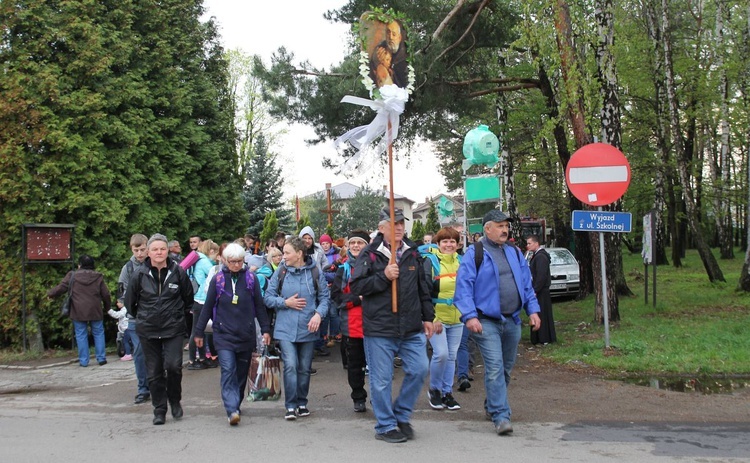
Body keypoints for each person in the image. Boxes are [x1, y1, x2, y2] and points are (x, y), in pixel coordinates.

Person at [350, 207, 434, 443]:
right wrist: (384, 276)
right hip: (380, 329)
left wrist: (428, 317)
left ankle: (401, 414)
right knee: (381, 379)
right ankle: (385, 425)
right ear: (381, 228)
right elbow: (357, 287)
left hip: (410, 327)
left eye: (401, 223)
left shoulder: (413, 253)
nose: (398, 227)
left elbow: (422, 289)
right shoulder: (369, 254)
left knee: (419, 369)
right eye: (393, 223)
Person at [454, 210, 541, 435]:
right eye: (500, 226)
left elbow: (526, 284)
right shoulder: (475, 253)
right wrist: (470, 316)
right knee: (494, 367)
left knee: (505, 369)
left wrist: (533, 310)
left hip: (512, 319)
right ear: (487, 229)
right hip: (486, 321)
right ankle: (502, 416)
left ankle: (491, 405)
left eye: (506, 226)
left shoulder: (514, 251)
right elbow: (463, 288)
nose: (505, 230)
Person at [193, 243, 272, 426]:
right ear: (225, 261)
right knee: (228, 369)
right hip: (223, 334)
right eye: (232, 261)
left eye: (239, 261)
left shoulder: (251, 279)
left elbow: (260, 307)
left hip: (246, 334)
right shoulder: (218, 280)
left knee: (241, 373)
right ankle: (232, 408)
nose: (236, 265)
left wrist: (266, 330)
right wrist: (198, 332)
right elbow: (207, 307)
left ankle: (235, 403)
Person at [125, 233, 193, 425]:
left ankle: (175, 400)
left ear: (167, 251)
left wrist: (177, 315)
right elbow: (131, 303)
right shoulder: (139, 274)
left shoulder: (178, 272)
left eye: (162, 249)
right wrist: (145, 316)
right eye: (155, 249)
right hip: (148, 329)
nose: (159, 252)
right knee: (154, 371)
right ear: (148, 252)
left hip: (173, 328)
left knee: (173, 367)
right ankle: (160, 409)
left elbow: (188, 297)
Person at [263, 236, 330, 421]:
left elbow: (325, 298)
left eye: (286, 252)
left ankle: (302, 402)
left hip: (308, 328)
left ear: (299, 253)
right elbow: (267, 297)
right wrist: (285, 302)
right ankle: (290, 405)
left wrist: (318, 314)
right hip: (285, 329)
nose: (283, 256)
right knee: (291, 366)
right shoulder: (281, 272)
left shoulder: (315, 271)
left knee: (305, 368)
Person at [421, 227, 463, 411]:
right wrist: (432, 318)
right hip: (437, 317)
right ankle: (434, 390)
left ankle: (447, 393)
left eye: (452, 241)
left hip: (458, 317)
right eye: (445, 241)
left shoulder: (462, 261)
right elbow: (424, 291)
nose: (449, 245)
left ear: (457, 244)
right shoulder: (430, 262)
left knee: (452, 356)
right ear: (437, 244)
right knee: (441, 354)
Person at [330, 229, 370, 413]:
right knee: (355, 365)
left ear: (367, 246)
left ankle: (378, 397)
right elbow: (337, 297)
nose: (355, 246)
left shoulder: (375, 267)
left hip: (374, 323)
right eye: (352, 242)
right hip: (351, 325)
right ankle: (358, 396)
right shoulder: (343, 270)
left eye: (360, 242)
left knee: (378, 366)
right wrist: (356, 299)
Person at [48, 255, 111, 367]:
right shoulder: (98, 277)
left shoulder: (72, 276)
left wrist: (50, 294)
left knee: (81, 334)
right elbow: (105, 294)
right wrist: (107, 307)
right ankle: (101, 358)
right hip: (95, 310)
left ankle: (84, 361)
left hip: (78, 310)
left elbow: (61, 287)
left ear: (79, 265)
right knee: (98, 333)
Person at [117, 233, 150, 404]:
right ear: (132, 249)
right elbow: (122, 294)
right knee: (139, 353)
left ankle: (156, 383)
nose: (139, 253)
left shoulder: (155, 264)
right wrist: (129, 306)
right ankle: (143, 388)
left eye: (142, 249)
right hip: (135, 317)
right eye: (136, 250)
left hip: (155, 317)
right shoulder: (128, 268)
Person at [187, 239, 220, 370]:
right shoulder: (205, 262)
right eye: (215, 252)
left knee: (202, 330)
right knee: (196, 331)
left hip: (199, 299)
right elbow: (215, 277)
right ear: (211, 251)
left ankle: (201, 358)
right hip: (202, 299)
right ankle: (192, 360)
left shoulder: (199, 260)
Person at [526, 235, 557, 345]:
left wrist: (535, 290)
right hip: (539, 290)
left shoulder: (540, 257)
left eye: (529, 243)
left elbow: (541, 276)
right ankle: (540, 338)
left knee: (542, 313)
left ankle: (544, 338)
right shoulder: (536, 256)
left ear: (536, 243)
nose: (527, 245)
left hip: (541, 291)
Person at [378, 20, 408, 88]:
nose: (390, 37)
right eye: (388, 33)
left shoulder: (405, 56)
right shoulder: (381, 49)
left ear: (399, 38)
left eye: (394, 34)